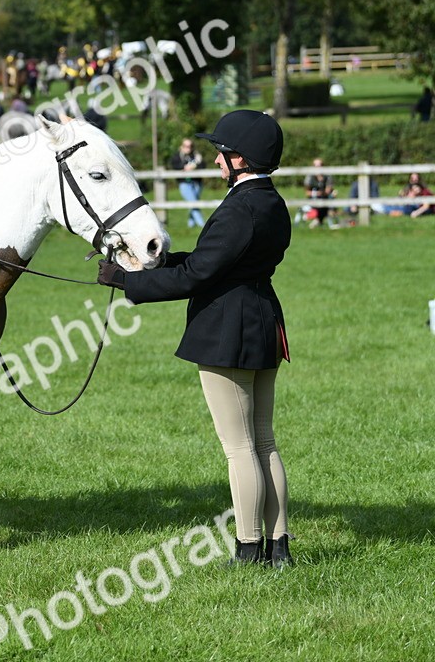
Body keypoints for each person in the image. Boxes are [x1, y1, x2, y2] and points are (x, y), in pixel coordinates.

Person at [98, 110, 294, 568]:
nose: (216, 160)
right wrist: (151, 264)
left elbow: (197, 276)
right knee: (264, 442)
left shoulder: (238, 209)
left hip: (228, 329)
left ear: (240, 159)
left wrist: (125, 282)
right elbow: (212, 262)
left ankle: (248, 549)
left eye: (221, 153)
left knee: (240, 447)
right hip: (262, 320)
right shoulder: (272, 203)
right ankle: (279, 547)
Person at [171, 138, 206, 228]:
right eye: (186, 146)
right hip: (184, 183)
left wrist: (194, 165)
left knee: (193, 203)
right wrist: (186, 167)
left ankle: (191, 225)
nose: (188, 148)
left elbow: (203, 166)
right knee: (193, 203)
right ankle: (203, 225)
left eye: (190, 146)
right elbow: (175, 166)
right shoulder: (177, 156)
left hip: (197, 183)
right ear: (182, 146)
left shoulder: (197, 156)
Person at [302, 158, 335, 228]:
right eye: (316, 165)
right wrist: (317, 193)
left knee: (326, 200)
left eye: (320, 165)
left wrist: (322, 193)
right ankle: (317, 219)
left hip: (325, 197)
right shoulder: (310, 177)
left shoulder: (327, 176)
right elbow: (307, 192)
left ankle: (317, 220)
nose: (318, 167)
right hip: (313, 198)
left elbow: (328, 191)